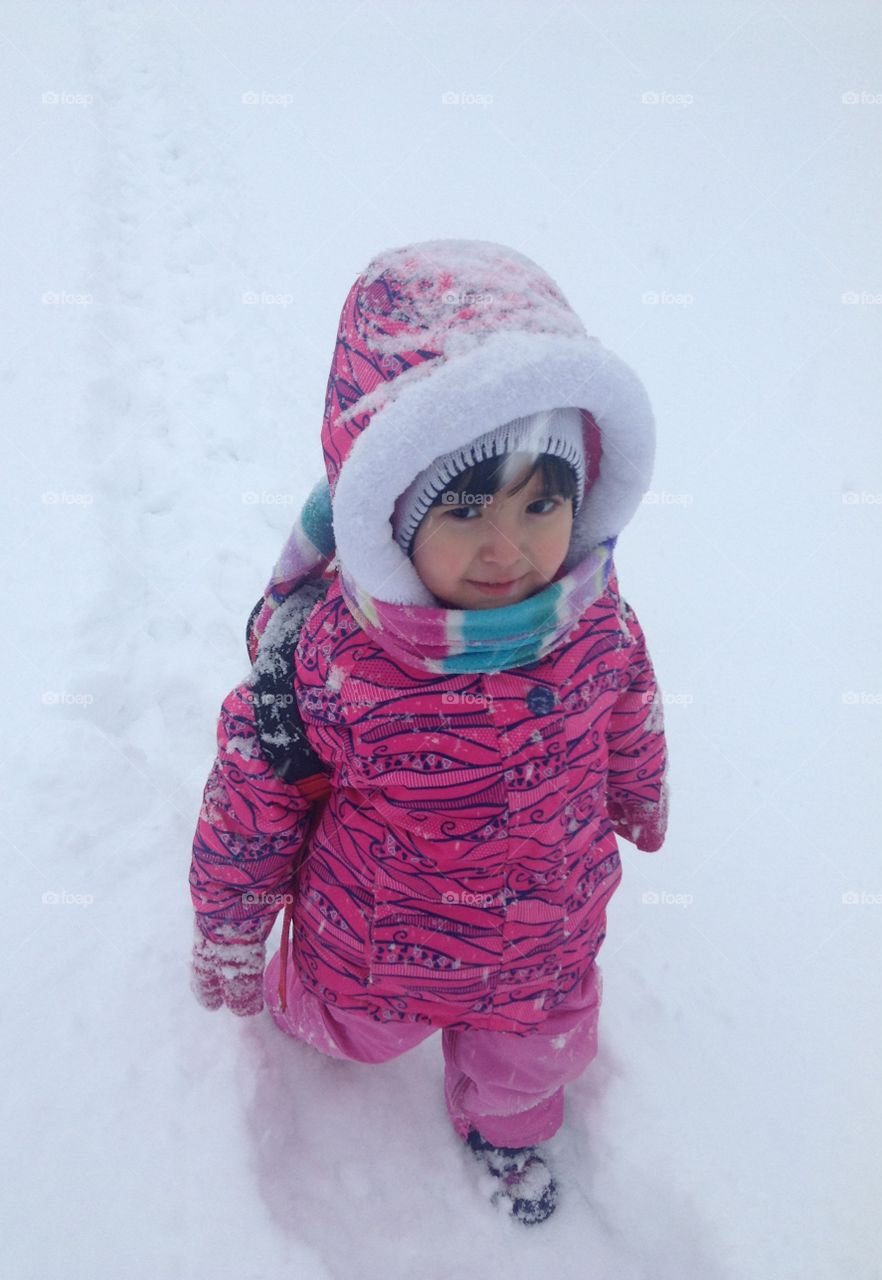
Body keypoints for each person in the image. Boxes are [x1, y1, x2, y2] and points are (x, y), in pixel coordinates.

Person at [188, 239, 670, 1224]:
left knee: (532, 1060)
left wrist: (636, 791)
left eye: (542, 500)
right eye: (462, 507)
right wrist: (231, 932)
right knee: (339, 1027)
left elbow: (630, 709)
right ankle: (308, 1004)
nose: (509, 545)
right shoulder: (325, 656)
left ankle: (505, 1130)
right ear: (392, 516)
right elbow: (253, 800)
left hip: (546, 935)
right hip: (373, 938)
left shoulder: (595, 618)